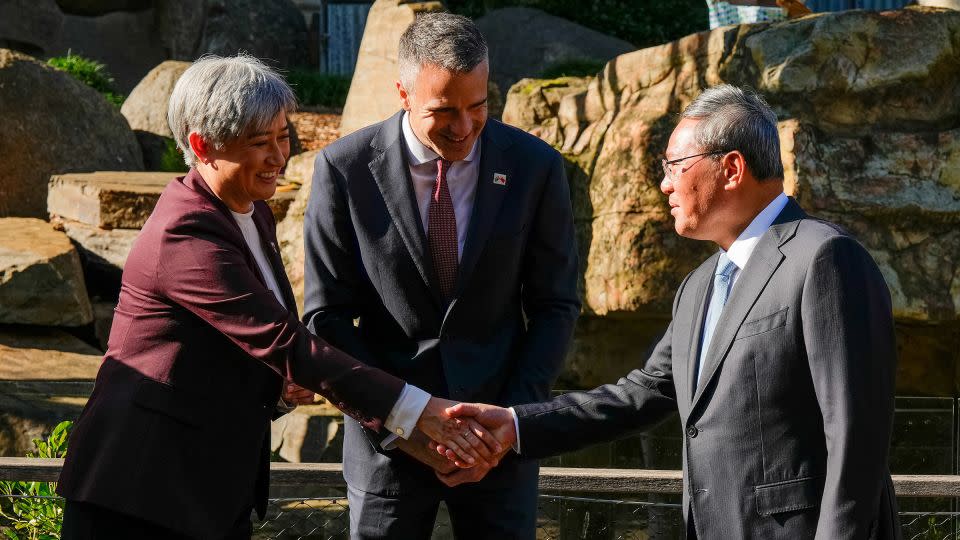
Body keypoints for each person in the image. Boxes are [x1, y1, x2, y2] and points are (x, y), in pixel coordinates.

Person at [56, 54, 498, 540]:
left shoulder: (251, 211)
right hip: (139, 494)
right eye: (259, 143)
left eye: (283, 136)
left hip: (208, 489)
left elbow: (255, 349)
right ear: (203, 146)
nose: (278, 156)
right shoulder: (186, 231)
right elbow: (285, 342)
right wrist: (419, 411)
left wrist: (278, 388)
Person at [444, 85, 902, 539]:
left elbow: (857, 436)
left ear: (731, 168)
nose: (664, 183)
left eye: (675, 166)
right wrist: (517, 425)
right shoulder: (699, 286)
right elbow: (640, 395)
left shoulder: (825, 257)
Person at [302, 12, 580, 540]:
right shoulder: (344, 168)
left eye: (478, 107)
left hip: (497, 444)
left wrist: (506, 426)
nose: (464, 127)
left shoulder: (535, 166)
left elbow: (555, 305)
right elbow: (324, 316)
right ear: (402, 92)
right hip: (387, 446)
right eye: (443, 110)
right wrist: (404, 423)